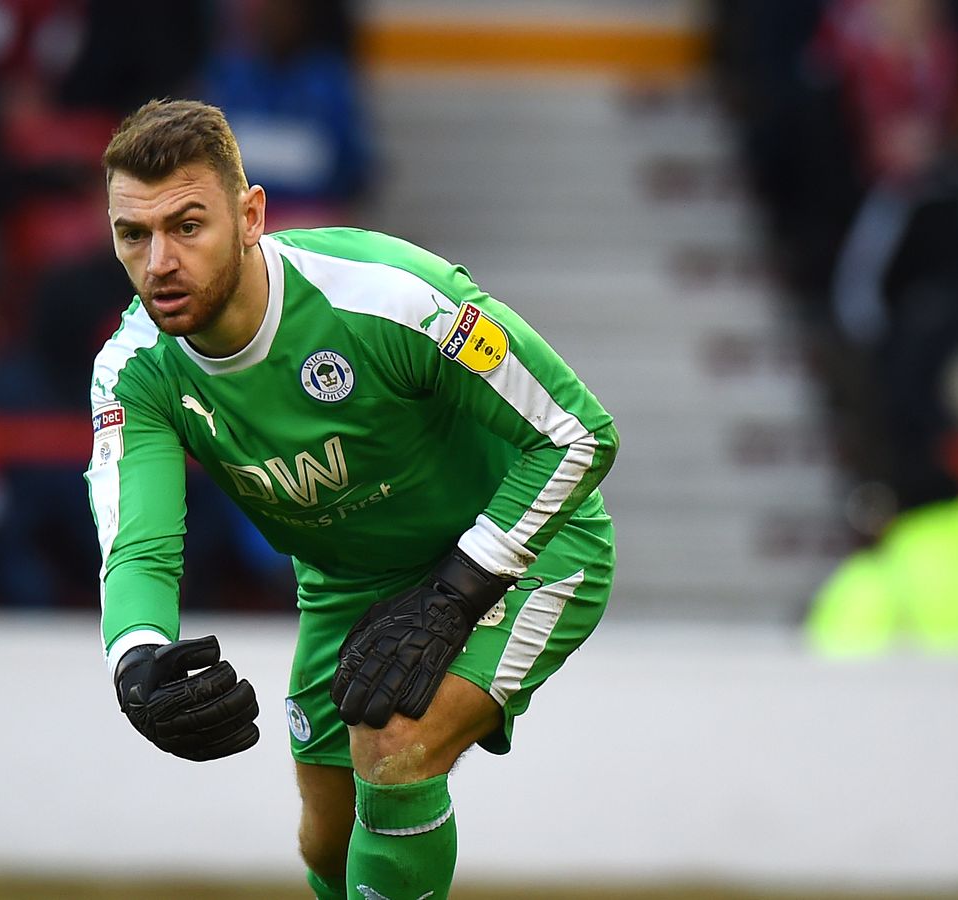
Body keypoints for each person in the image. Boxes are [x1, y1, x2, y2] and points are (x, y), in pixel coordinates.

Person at [85, 100, 618, 900]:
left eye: (187, 225)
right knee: (328, 844)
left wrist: (460, 588)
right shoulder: (136, 369)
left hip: (524, 549)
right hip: (349, 587)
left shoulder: (392, 297)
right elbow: (140, 545)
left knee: (393, 749)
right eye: (135, 234)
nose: (160, 260)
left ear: (250, 214)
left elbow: (579, 433)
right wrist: (137, 665)